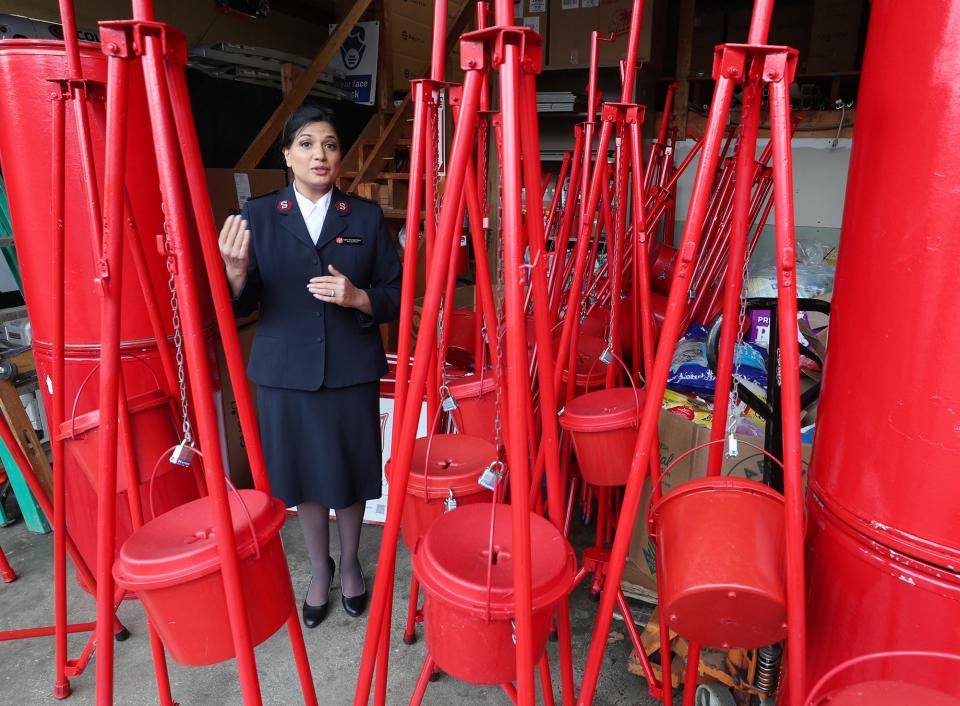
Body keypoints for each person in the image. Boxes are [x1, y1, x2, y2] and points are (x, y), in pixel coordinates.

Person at [219, 104, 402, 628]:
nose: (318, 154)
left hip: (349, 369)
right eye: (306, 143)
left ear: (340, 157)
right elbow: (242, 304)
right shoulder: (257, 215)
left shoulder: (363, 216)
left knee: (345, 471)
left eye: (329, 144)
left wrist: (358, 297)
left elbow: (393, 292)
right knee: (301, 477)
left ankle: (350, 565)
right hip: (284, 373)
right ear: (286, 154)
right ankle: (319, 570)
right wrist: (234, 272)